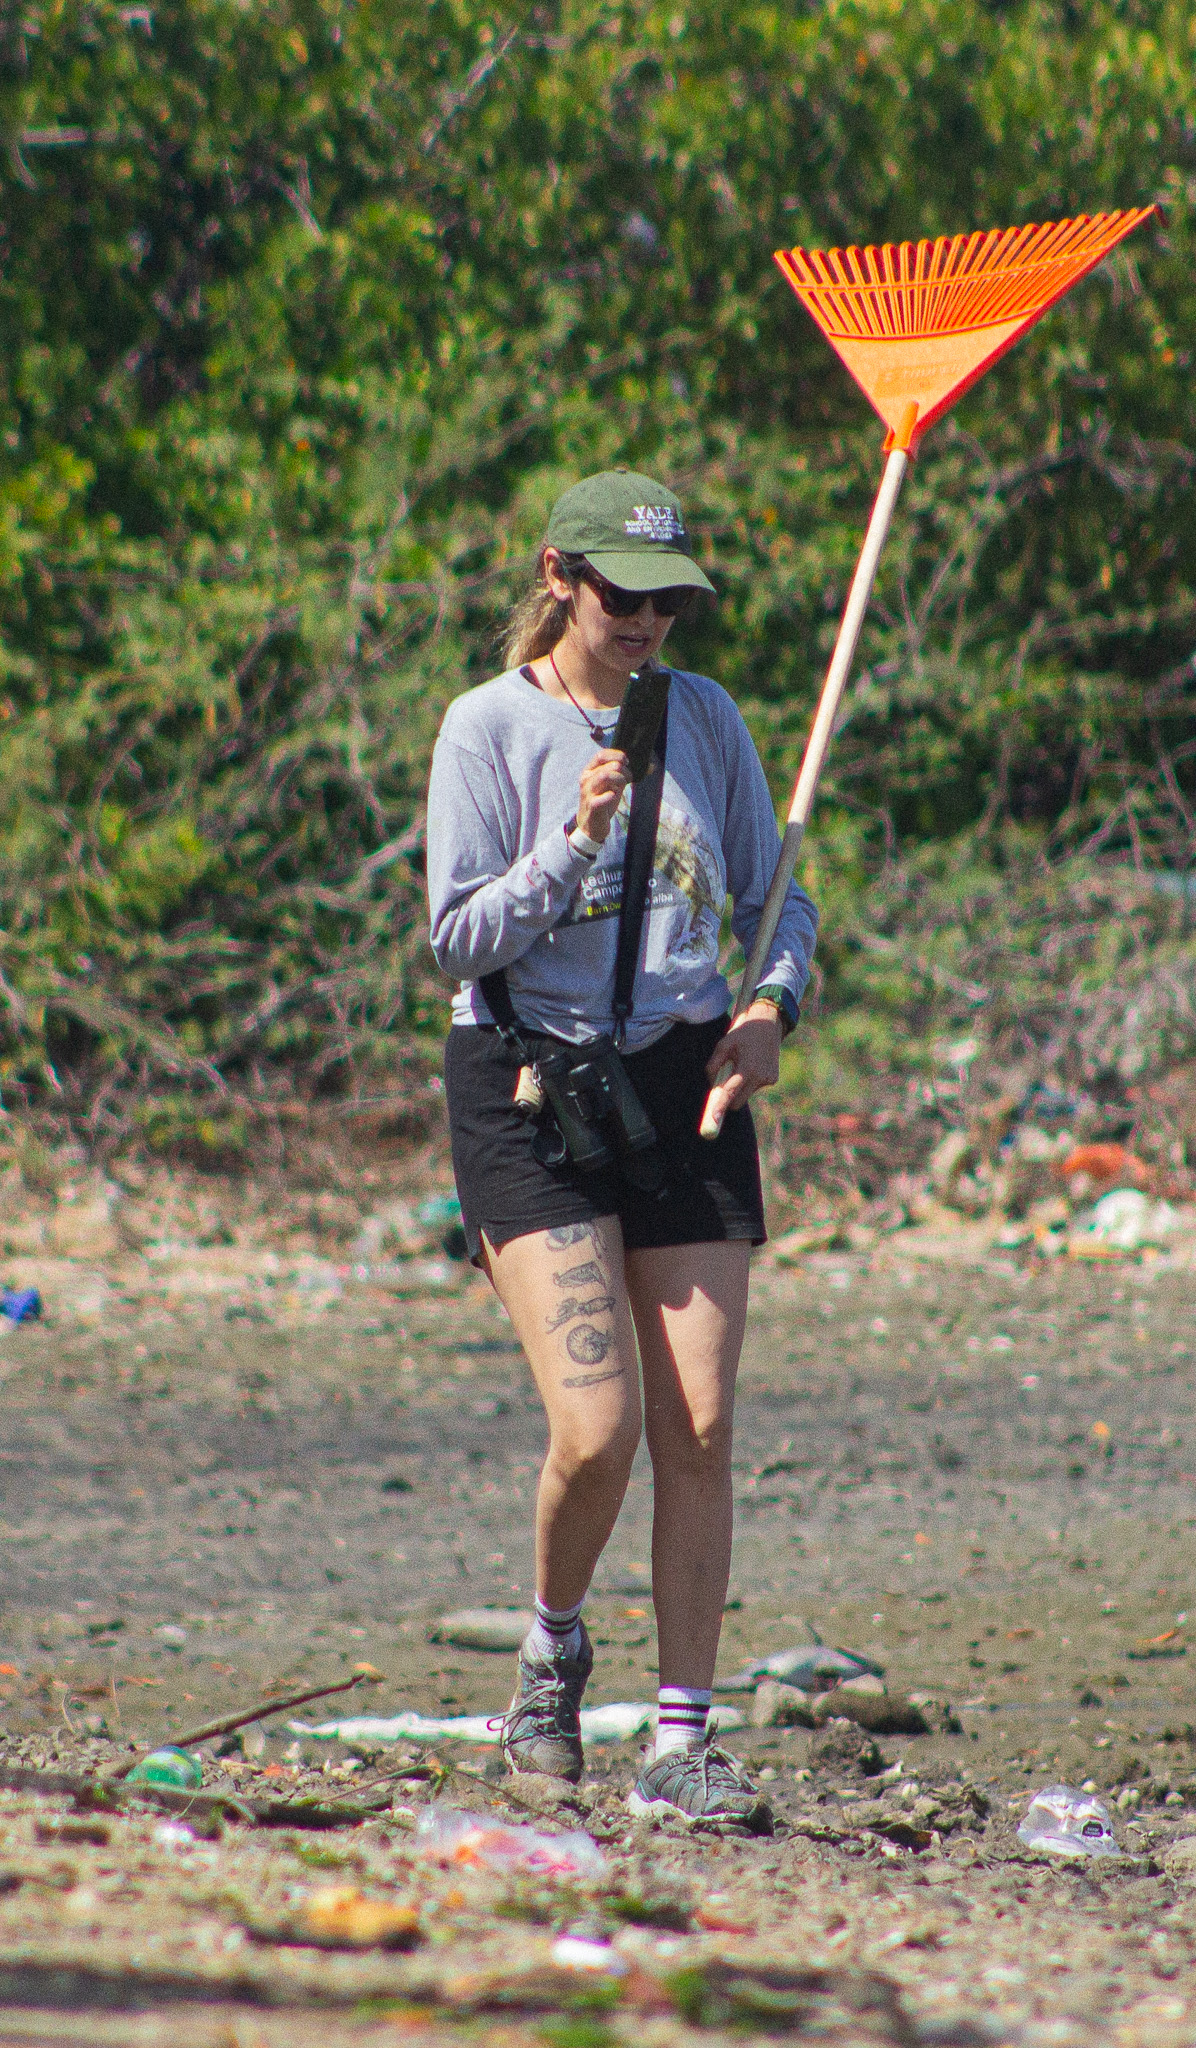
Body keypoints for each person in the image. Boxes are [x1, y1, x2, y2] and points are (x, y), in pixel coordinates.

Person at [425, 470, 816, 1822]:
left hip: (684, 1076)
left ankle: (681, 1742)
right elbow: (455, 940)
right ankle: (551, 1651)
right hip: (531, 1083)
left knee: (698, 1422)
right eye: (620, 594)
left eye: (669, 599)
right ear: (557, 577)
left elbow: (779, 895)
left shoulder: (704, 719)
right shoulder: (485, 730)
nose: (646, 619)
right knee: (598, 1430)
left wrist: (769, 1006)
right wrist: (567, 844)